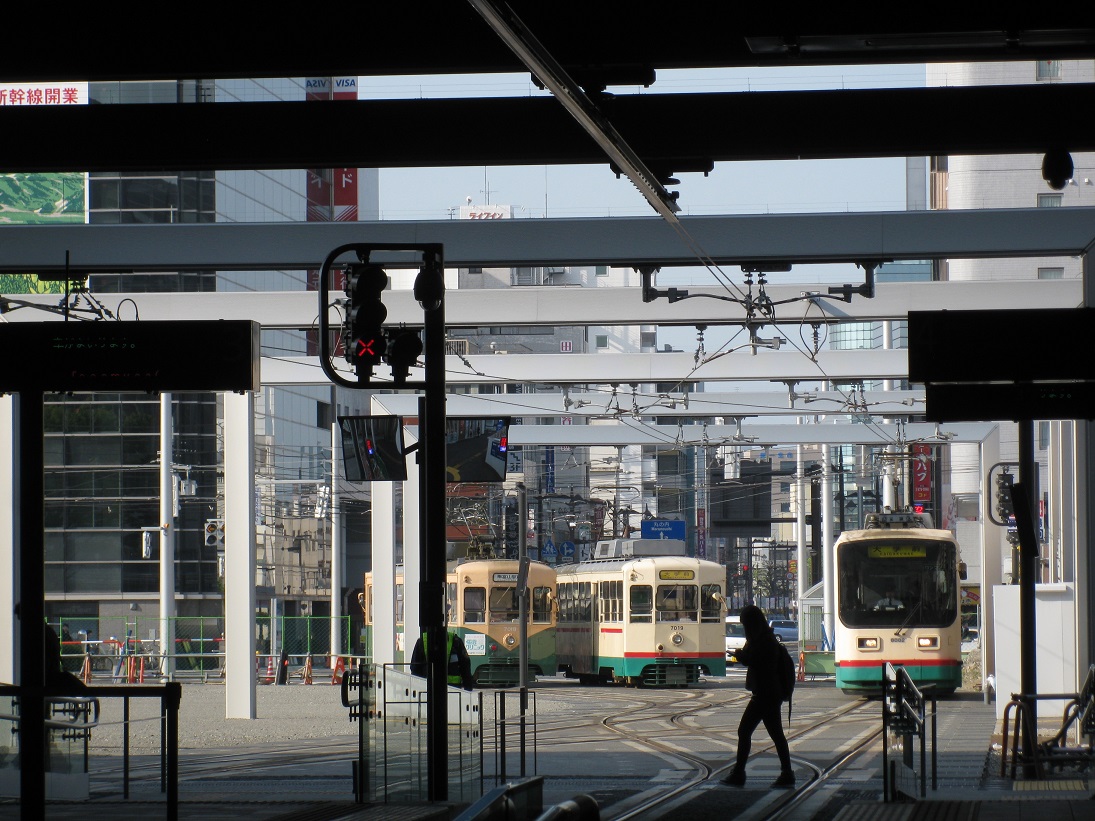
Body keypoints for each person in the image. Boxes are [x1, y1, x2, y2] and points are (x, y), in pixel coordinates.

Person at [722, 605, 794, 789]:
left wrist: (743, 658)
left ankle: (739, 773)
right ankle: (787, 773)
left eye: (746, 624)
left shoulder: (764, 641)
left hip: (765, 694)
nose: (745, 628)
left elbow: (762, 665)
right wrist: (744, 656)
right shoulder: (763, 638)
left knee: (745, 731)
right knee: (775, 734)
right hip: (770, 693)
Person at [409, 629, 475, 690]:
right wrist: (468, 689)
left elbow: (415, 668)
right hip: (453, 689)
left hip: (428, 689)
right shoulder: (456, 641)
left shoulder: (422, 641)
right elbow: (465, 667)